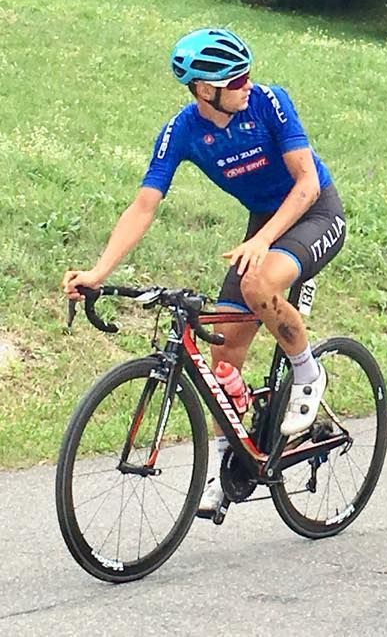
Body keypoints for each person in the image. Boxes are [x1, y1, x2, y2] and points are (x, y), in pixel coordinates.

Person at [62, 27, 346, 514]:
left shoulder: (270, 103)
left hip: (315, 212)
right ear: (202, 89)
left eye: (247, 73)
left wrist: (260, 241)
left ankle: (307, 371)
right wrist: (99, 270)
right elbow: (144, 206)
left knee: (258, 282)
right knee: (224, 357)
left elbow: (304, 185)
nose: (247, 84)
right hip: (263, 225)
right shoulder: (183, 132)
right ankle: (227, 469)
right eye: (235, 79)